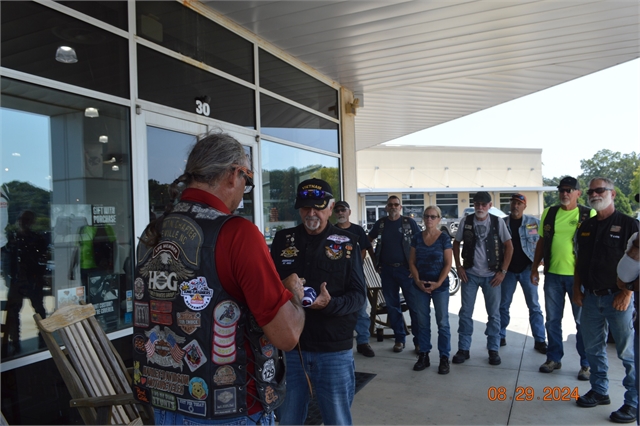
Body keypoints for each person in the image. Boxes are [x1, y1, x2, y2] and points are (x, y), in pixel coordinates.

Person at [132, 132, 305, 425]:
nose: (244, 189)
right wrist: (293, 294)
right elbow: (286, 336)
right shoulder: (238, 233)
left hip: (165, 405)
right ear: (233, 174)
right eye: (247, 181)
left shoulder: (152, 233)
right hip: (230, 409)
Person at [270, 178, 366, 425]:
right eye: (305, 207)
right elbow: (266, 289)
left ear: (331, 208)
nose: (311, 213)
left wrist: (329, 304)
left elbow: (358, 297)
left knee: (337, 420)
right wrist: (283, 286)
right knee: (288, 419)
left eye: (318, 207)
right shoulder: (282, 240)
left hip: (333, 350)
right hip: (292, 349)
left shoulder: (347, 242)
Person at [573, 177, 638, 424]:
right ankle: (599, 391)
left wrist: (627, 293)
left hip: (617, 298)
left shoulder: (629, 224)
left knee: (627, 352)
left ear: (612, 193)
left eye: (599, 190)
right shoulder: (586, 226)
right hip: (590, 298)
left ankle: (633, 402)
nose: (594, 194)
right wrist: (577, 290)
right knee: (592, 348)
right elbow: (579, 261)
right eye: (591, 191)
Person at [531, 176, 594, 379]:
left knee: (582, 321)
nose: (564, 193)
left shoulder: (588, 214)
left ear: (578, 193)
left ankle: (586, 364)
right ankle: (554, 358)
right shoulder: (549, 213)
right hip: (553, 276)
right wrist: (534, 269)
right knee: (553, 320)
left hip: (579, 279)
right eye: (562, 190)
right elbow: (541, 242)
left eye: (569, 190)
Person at [452, 191, 513, 366]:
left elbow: (509, 246)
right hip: (470, 274)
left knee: (494, 315)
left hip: (492, 276)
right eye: (477, 204)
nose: (480, 207)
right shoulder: (467, 221)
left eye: (483, 204)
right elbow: (456, 243)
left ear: (490, 206)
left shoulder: (497, 222)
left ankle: (493, 349)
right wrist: (459, 266)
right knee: (465, 313)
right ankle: (464, 349)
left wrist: (503, 271)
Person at [368, 196, 421, 353]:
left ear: (401, 207)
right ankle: (399, 339)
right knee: (393, 307)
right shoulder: (381, 224)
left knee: (414, 307)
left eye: (396, 204)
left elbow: (419, 243)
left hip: (406, 271)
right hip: (387, 271)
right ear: (386, 207)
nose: (393, 207)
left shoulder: (408, 223)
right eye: (390, 205)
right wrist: (375, 261)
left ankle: (418, 341)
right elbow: (368, 240)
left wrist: (415, 267)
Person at [499, 194, 547, 353]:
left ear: (524, 206)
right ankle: (500, 336)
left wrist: (541, 259)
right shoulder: (502, 223)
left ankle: (540, 340)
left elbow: (544, 242)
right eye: (513, 202)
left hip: (528, 270)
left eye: (519, 203)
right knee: (503, 305)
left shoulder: (533, 223)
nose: (515, 206)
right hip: (508, 271)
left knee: (534, 306)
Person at [408, 206, 453, 374]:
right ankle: (424, 355)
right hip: (420, 286)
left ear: (439, 219)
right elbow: (412, 262)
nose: (429, 219)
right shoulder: (417, 238)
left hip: (440, 287)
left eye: (433, 216)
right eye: (427, 216)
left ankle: (444, 357)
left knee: (442, 323)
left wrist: (438, 283)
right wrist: (418, 281)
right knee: (422, 322)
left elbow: (448, 263)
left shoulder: (444, 238)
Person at [333, 200, 376, 358]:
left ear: (349, 212)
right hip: (336, 278)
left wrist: (354, 265)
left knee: (361, 310)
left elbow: (364, 249)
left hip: (356, 277)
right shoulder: (331, 231)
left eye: (343, 210)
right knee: (337, 310)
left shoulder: (357, 230)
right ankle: (339, 342)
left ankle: (363, 342)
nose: (340, 213)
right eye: (337, 210)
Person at [3, 210, 48, 355]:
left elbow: (42, 260)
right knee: (13, 312)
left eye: (27, 219)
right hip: (18, 280)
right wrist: (9, 277)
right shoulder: (13, 238)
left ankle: (44, 338)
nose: (23, 222)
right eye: (22, 219)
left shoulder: (36, 238)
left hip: (32, 279)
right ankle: (15, 341)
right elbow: (7, 259)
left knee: (39, 310)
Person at [616, 193, 639, 424]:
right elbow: (624, 276)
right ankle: (633, 403)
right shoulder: (637, 235)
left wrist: (629, 288)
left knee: (627, 354)